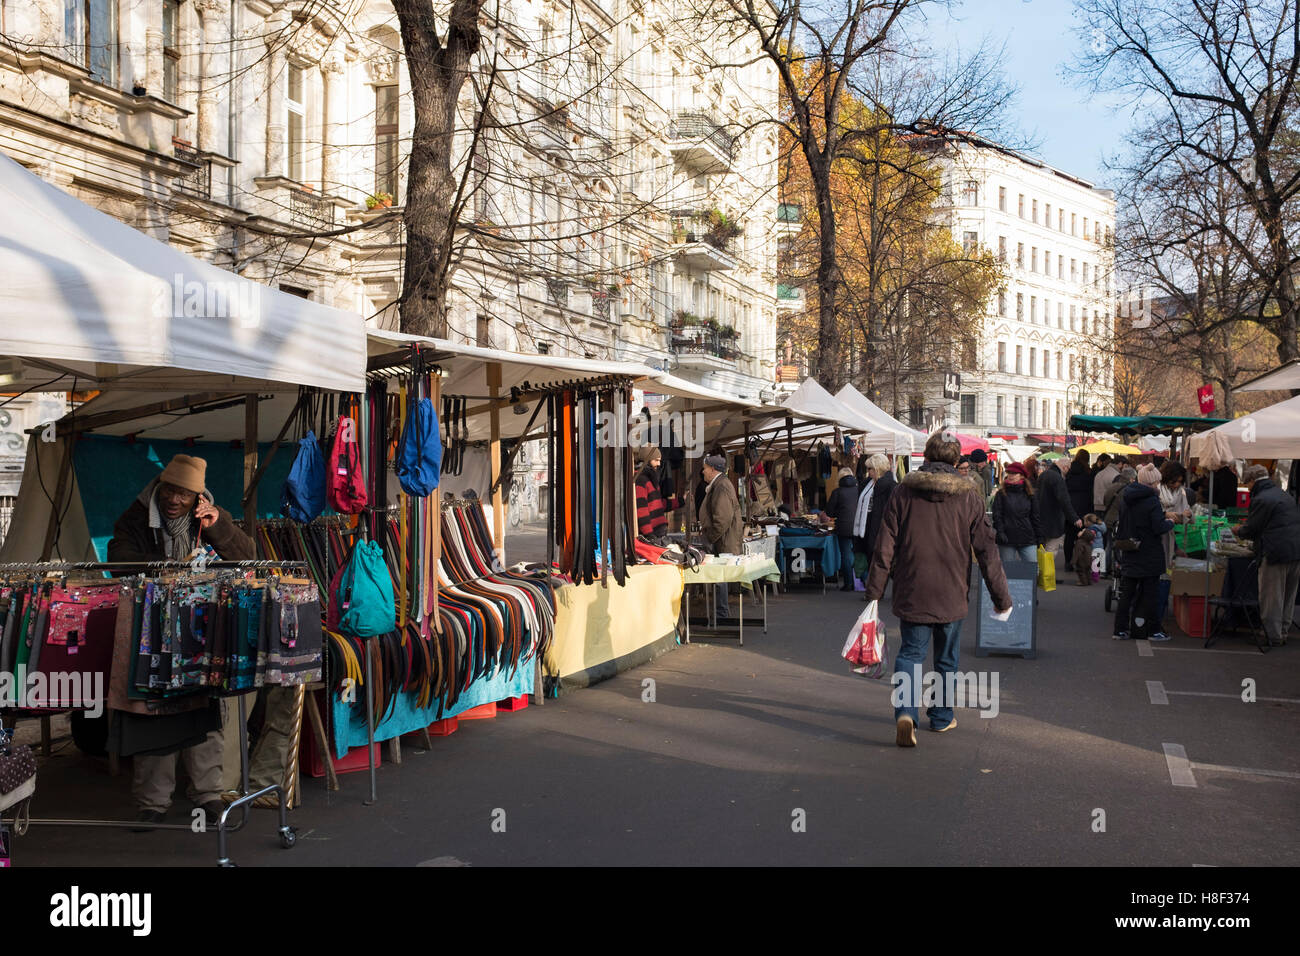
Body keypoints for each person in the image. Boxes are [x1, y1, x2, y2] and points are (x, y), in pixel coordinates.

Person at [107, 454, 255, 828]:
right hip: (151, 623)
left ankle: (207, 793)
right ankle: (152, 802)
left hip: (200, 626)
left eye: (184, 495)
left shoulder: (210, 516)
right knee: (153, 709)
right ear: (160, 487)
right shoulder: (137, 516)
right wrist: (169, 566)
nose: (174, 500)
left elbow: (248, 557)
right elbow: (117, 558)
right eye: (170, 491)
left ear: (197, 497)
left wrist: (218, 526)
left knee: (203, 707)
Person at [864, 430, 1011, 747]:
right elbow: (987, 550)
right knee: (946, 658)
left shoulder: (903, 493)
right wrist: (1002, 598)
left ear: (927, 457)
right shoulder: (969, 496)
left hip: (913, 586)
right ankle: (942, 717)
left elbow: (884, 546)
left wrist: (874, 593)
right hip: (952, 590)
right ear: (957, 460)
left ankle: (906, 712)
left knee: (911, 654)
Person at [1234, 464, 1300, 646]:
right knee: (1288, 596)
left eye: (1247, 484)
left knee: (1272, 596)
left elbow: (1252, 529)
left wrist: (1239, 530)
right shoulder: (1284, 495)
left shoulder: (1262, 498)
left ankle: (1271, 635)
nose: (1247, 488)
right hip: (1295, 550)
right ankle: (1283, 631)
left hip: (1275, 552)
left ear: (1252, 481)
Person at [1112, 464, 1175, 641]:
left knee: (1127, 593)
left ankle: (1120, 629)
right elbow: (1158, 527)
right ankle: (1153, 630)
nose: (1158, 485)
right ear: (1152, 482)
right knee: (1150, 594)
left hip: (1131, 549)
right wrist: (1170, 522)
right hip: (1149, 553)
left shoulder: (1127, 497)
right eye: (1157, 482)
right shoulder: (1152, 500)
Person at [699, 454, 742, 621]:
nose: (703, 472)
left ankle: (721, 614)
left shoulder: (721, 486)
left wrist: (710, 537)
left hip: (723, 540)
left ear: (712, 469)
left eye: (704, 468)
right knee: (720, 577)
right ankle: (721, 612)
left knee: (720, 577)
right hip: (723, 539)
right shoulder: (721, 484)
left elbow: (722, 519)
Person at [852, 453, 895, 591]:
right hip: (865, 527)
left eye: (870, 468)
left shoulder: (890, 486)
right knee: (869, 557)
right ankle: (872, 587)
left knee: (879, 559)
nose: (868, 471)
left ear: (878, 468)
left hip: (880, 526)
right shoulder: (867, 483)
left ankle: (876, 589)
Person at [1036, 455, 1082, 570]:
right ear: (1065, 467)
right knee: (1051, 549)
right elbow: (1064, 500)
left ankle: (1038, 573)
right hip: (1054, 520)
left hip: (1041, 516)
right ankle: (1046, 575)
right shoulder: (1057, 478)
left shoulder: (1044, 474)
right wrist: (1075, 518)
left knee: (1042, 548)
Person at [990, 462, 1041, 565]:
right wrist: (1000, 532)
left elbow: (1035, 516)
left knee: (1032, 570)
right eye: (1009, 473)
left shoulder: (1030, 494)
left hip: (1027, 537)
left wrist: (1039, 535)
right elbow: (997, 515)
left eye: (1014, 473)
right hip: (1007, 538)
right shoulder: (1001, 494)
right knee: (1007, 571)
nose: (1011, 475)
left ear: (1022, 475)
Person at [823, 467, 860, 591]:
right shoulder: (859, 490)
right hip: (859, 526)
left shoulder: (837, 492)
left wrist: (839, 511)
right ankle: (863, 581)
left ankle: (849, 583)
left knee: (845, 555)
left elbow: (830, 512)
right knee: (859, 553)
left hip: (843, 527)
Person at [1064, 450, 1093, 570]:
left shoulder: (1069, 472)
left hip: (1070, 507)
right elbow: (1091, 491)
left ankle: (1068, 562)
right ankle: (1081, 562)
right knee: (1083, 537)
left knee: (1069, 537)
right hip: (1084, 507)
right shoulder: (1088, 473)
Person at [634, 446, 669, 543]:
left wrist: (681, 500)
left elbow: (657, 504)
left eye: (660, 460)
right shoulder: (641, 480)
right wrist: (649, 535)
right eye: (656, 460)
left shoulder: (650, 478)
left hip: (658, 532)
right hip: (652, 534)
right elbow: (641, 509)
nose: (659, 464)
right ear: (647, 460)